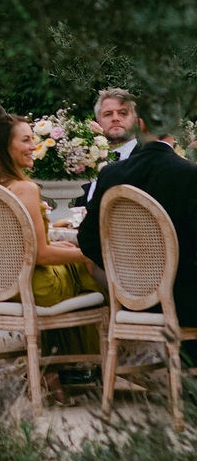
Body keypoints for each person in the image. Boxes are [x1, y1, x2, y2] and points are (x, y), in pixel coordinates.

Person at [0, 113, 102, 381]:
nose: (33, 146)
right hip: (35, 288)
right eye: (25, 140)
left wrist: (56, 242)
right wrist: (87, 253)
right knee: (90, 269)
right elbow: (41, 255)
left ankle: (54, 372)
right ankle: (92, 367)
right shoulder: (25, 188)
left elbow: (15, 245)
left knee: (72, 264)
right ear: (5, 147)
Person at [78, 110, 197, 348]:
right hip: (184, 303)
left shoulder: (112, 174)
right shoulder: (190, 174)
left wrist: (125, 275)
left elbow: (87, 238)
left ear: (139, 124)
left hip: (128, 300)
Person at [79, 87, 140, 205]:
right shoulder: (86, 160)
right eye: (108, 114)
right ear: (98, 121)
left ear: (135, 120)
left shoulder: (148, 160)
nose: (115, 118)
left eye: (123, 113)